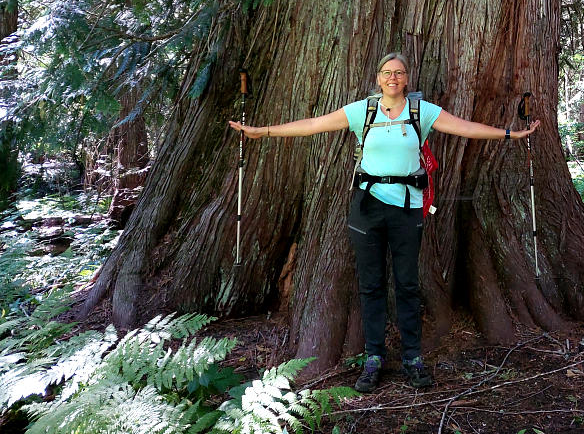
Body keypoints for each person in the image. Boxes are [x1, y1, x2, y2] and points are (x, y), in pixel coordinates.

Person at [229, 52, 540, 392]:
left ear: (407, 79)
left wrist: (510, 135)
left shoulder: (422, 111)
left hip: (407, 207)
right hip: (367, 206)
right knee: (371, 285)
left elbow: (465, 127)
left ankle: (411, 358)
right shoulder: (362, 111)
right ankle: (374, 357)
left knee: (407, 284)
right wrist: (264, 132)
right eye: (387, 73)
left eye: (399, 73)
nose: (393, 77)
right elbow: (312, 125)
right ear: (378, 79)